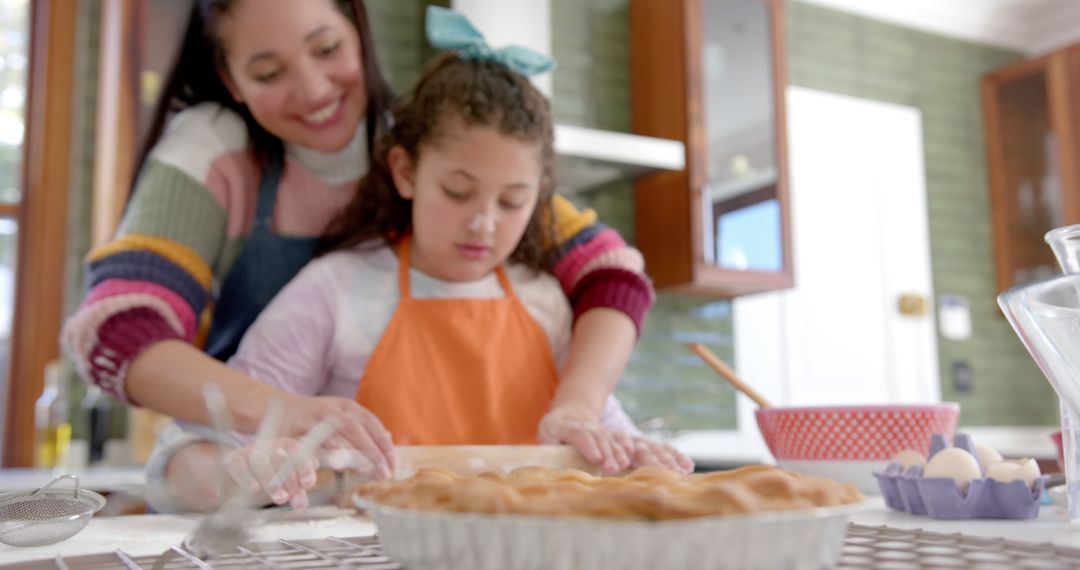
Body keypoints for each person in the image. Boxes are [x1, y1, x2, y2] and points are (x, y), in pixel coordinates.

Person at [61, 0, 666, 484]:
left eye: (327, 49)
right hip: (259, 437)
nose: (313, 88)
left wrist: (581, 408)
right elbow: (120, 333)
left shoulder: (445, 144)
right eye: (270, 72)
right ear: (231, 79)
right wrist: (281, 417)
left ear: (358, 28)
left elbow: (610, 274)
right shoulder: (212, 153)